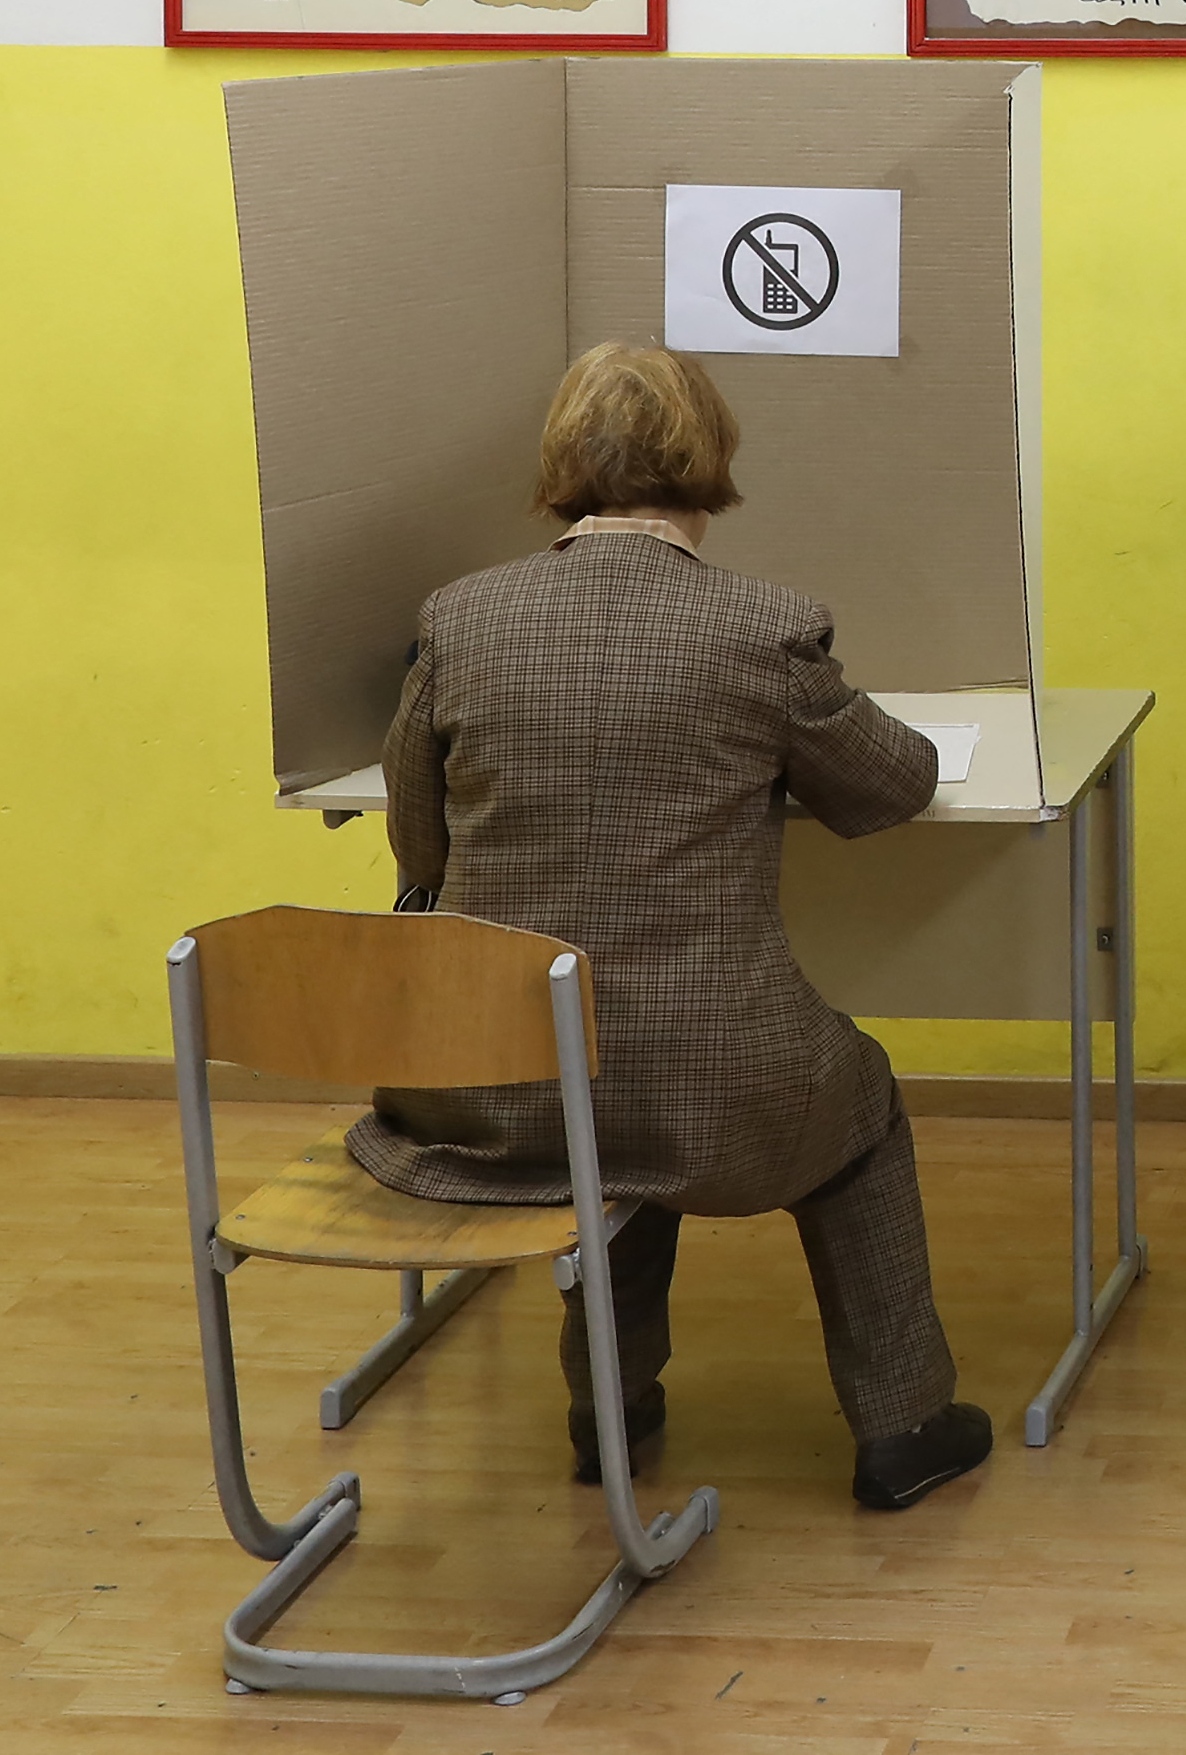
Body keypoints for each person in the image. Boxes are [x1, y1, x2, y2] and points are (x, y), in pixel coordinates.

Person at [352, 342, 995, 1511]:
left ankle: (613, 1408)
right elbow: (889, 788)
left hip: (493, 1090)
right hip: (715, 1087)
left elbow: (421, 849)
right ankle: (904, 1421)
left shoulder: (460, 618)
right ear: (712, 458)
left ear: (558, 465)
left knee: (600, 1089)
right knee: (852, 1102)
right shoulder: (764, 627)